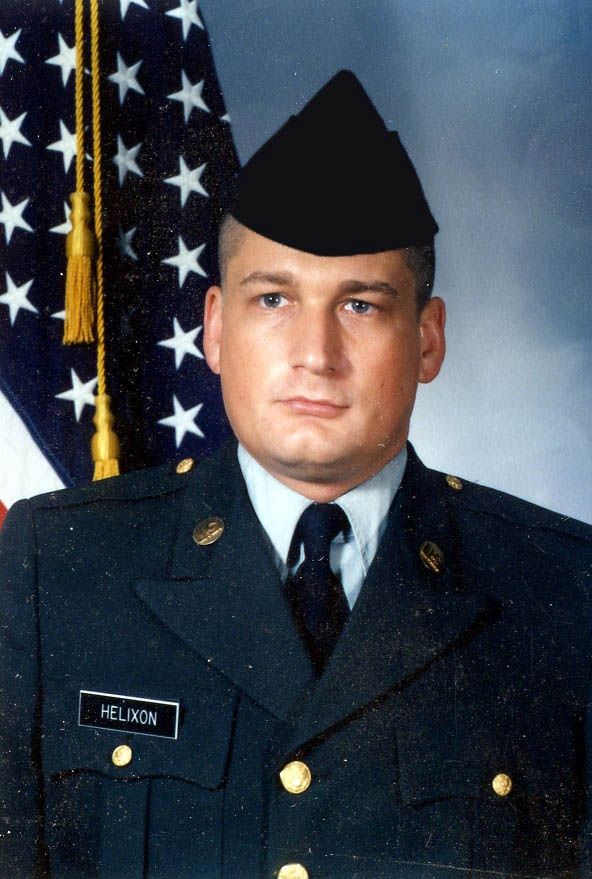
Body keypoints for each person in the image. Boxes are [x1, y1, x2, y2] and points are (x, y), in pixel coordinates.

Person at [1, 69, 591, 879]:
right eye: (273, 300)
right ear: (213, 329)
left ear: (427, 338)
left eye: (361, 305)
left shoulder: (563, 590)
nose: (315, 354)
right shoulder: (54, 570)